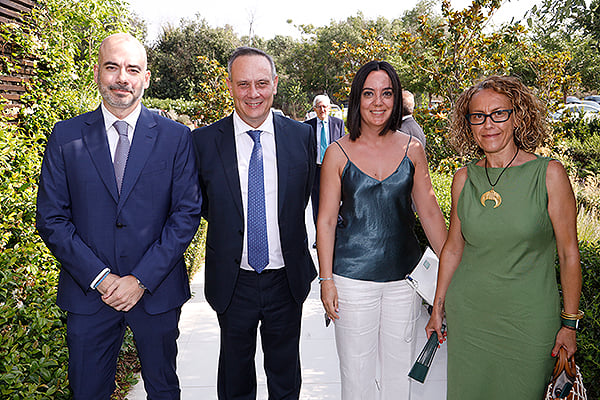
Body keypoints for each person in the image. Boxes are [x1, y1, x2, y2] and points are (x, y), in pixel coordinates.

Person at [36, 33, 202, 399]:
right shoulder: (65, 137)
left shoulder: (176, 138)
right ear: (97, 73)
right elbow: (51, 217)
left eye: (132, 69)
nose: (122, 78)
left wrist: (140, 279)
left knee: (162, 390)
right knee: (87, 391)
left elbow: (186, 213)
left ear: (146, 77)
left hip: (155, 293)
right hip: (88, 294)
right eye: (112, 67)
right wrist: (101, 278)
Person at [426, 75, 582, 399]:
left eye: (499, 113)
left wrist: (569, 324)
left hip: (529, 321)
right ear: (468, 123)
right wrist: (438, 306)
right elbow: (454, 248)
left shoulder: (549, 174)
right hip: (469, 318)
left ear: (518, 116)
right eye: (477, 116)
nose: (488, 125)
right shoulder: (463, 178)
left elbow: (569, 255)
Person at [317, 60, 447, 399]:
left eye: (386, 93)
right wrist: (326, 280)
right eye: (369, 93)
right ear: (357, 99)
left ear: (396, 98)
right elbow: (326, 220)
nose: (378, 102)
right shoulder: (337, 152)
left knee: (398, 379)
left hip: (403, 282)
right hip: (351, 281)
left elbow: (430, 212)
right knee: (356, 379)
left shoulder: (412, 148)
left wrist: (451, 271)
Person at [191, 47, 316, 400]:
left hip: (285, 279)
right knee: (234, 378)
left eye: (262, 83)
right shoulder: (203, 142)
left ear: (275, 84)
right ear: (229, 86)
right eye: (243, 84)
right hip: (233, 282)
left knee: (285, 377)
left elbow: (303, 195)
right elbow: (202, 204)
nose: (253, 93)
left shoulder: (301, 137)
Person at [304, 94, 345, 239]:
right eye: (319, 107)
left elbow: (343, 148)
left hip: (333, 170)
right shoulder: (308, 126)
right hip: (316, 170)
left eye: (325, 106)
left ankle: (336, 234)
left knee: (335, 200)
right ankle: (320, 237)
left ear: (329, 108)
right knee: (317, 203)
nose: (323, 109)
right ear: (314, 109)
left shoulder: (338, 123)